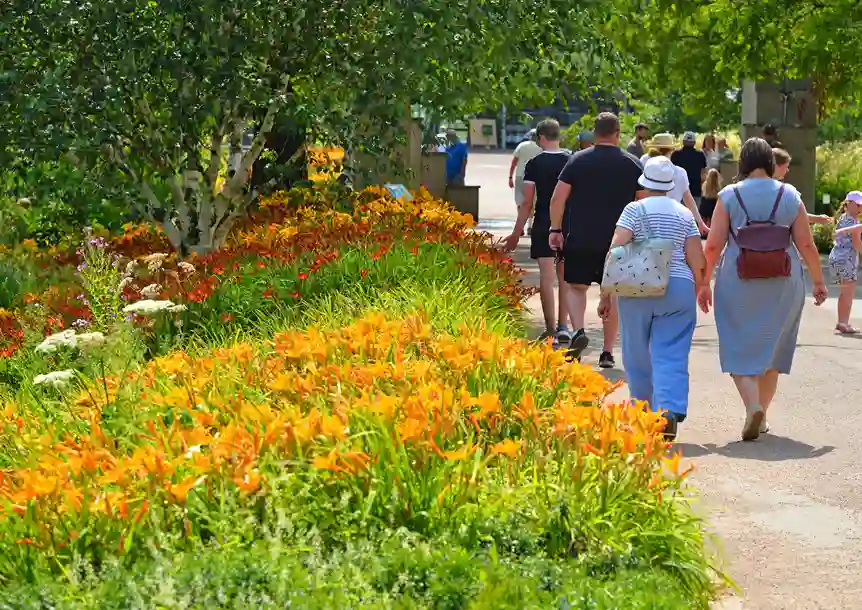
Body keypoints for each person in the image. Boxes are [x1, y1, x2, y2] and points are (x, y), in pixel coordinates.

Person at [698, 137, 828, 441]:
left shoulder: (729, 195)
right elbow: (806, 243)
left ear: (743, 162)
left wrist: (703, 282)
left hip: (737, 280)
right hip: (784, 280)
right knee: (774, 347)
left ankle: (752, 406)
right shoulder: (790, 194)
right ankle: (762, 415)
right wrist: (819, 281)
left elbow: (714, 244)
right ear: (771, 162)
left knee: (735, 342)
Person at [598, 157, 706, 440]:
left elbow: (616, 249)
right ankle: (667, 410)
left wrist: (605, 293)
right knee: (671, 351)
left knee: (636, 351)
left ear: (644, 182)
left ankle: (643, 413)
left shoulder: (633, 210)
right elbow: (697, 257)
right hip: (678, 286)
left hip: (637, 288)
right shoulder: (684, 214)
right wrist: (702, 287)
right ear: (671, 185)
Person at [548, 112, 643, 368]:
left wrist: (554, 229)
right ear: (617, 132)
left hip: (580, 235)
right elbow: (643, 203)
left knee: (576, 287)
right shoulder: (632, 164)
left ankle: (578, 330)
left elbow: (558, 198)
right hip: (618, 241)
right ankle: (608, 352)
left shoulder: (577, 161)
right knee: (612, 293)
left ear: (594, 132)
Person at [503, 119, 572, 343]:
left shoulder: (534, 164)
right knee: (565, 278)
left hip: (543, 222)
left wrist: (516, 232)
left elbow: (527, 203)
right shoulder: (572, 161)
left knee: (546, 276)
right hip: (567, 223)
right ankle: (564, 327)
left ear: (541, 137)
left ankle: (550, 327)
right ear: (558, 136)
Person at [646, 133, 709, 234]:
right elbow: (689, 200)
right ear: (672, 150)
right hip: (674, 221)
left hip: (650, 221)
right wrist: (700, 222)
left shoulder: (645, 169)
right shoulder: (680, 172)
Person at [828, 191, 862, 334]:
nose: (860, 208)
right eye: (859, 204)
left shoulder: (842, 218)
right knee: (848, 294)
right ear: (850, 204)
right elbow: (856, 243)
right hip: (846, 259)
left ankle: (842, 322)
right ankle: (844, 323)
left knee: (844, 293)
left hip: (836, 257)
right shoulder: (854, 222)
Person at [772, 148, 831, 225]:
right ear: (777, 166)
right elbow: (796, 215)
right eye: (786, 166)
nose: (787, 170)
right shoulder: (786, 191)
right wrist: (817, 219)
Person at [509, 129, 542, 234]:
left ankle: (520, 227)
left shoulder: (521, 146)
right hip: (534, 178)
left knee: (519, 202)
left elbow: (514, 162)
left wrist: (510, 177)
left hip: (519, 176)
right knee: (532, 202)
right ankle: (530, 226)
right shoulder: (541, 148)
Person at [671, 131, 708, 208]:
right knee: (694, 213)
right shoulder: (700, 154)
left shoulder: (676, 154)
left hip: (678, 189)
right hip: (696, 189)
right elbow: (703, 172)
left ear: (683, 141)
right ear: (694, 142)